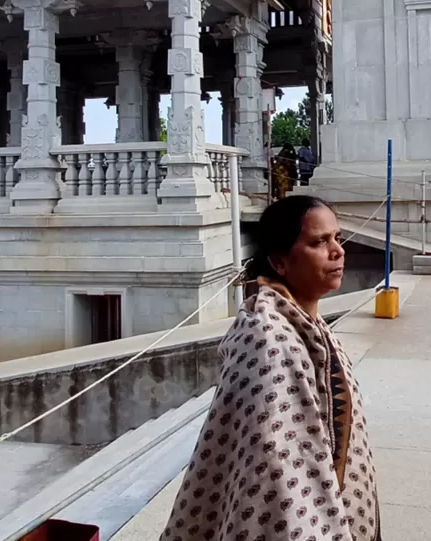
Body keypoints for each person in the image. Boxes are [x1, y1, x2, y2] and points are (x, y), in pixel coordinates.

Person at [162, 196, 380, 541]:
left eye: (337, 238)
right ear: (280, 262)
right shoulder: (269, 339)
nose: (337, 251)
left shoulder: (308, 324)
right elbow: (279, 477)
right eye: (319, 242)